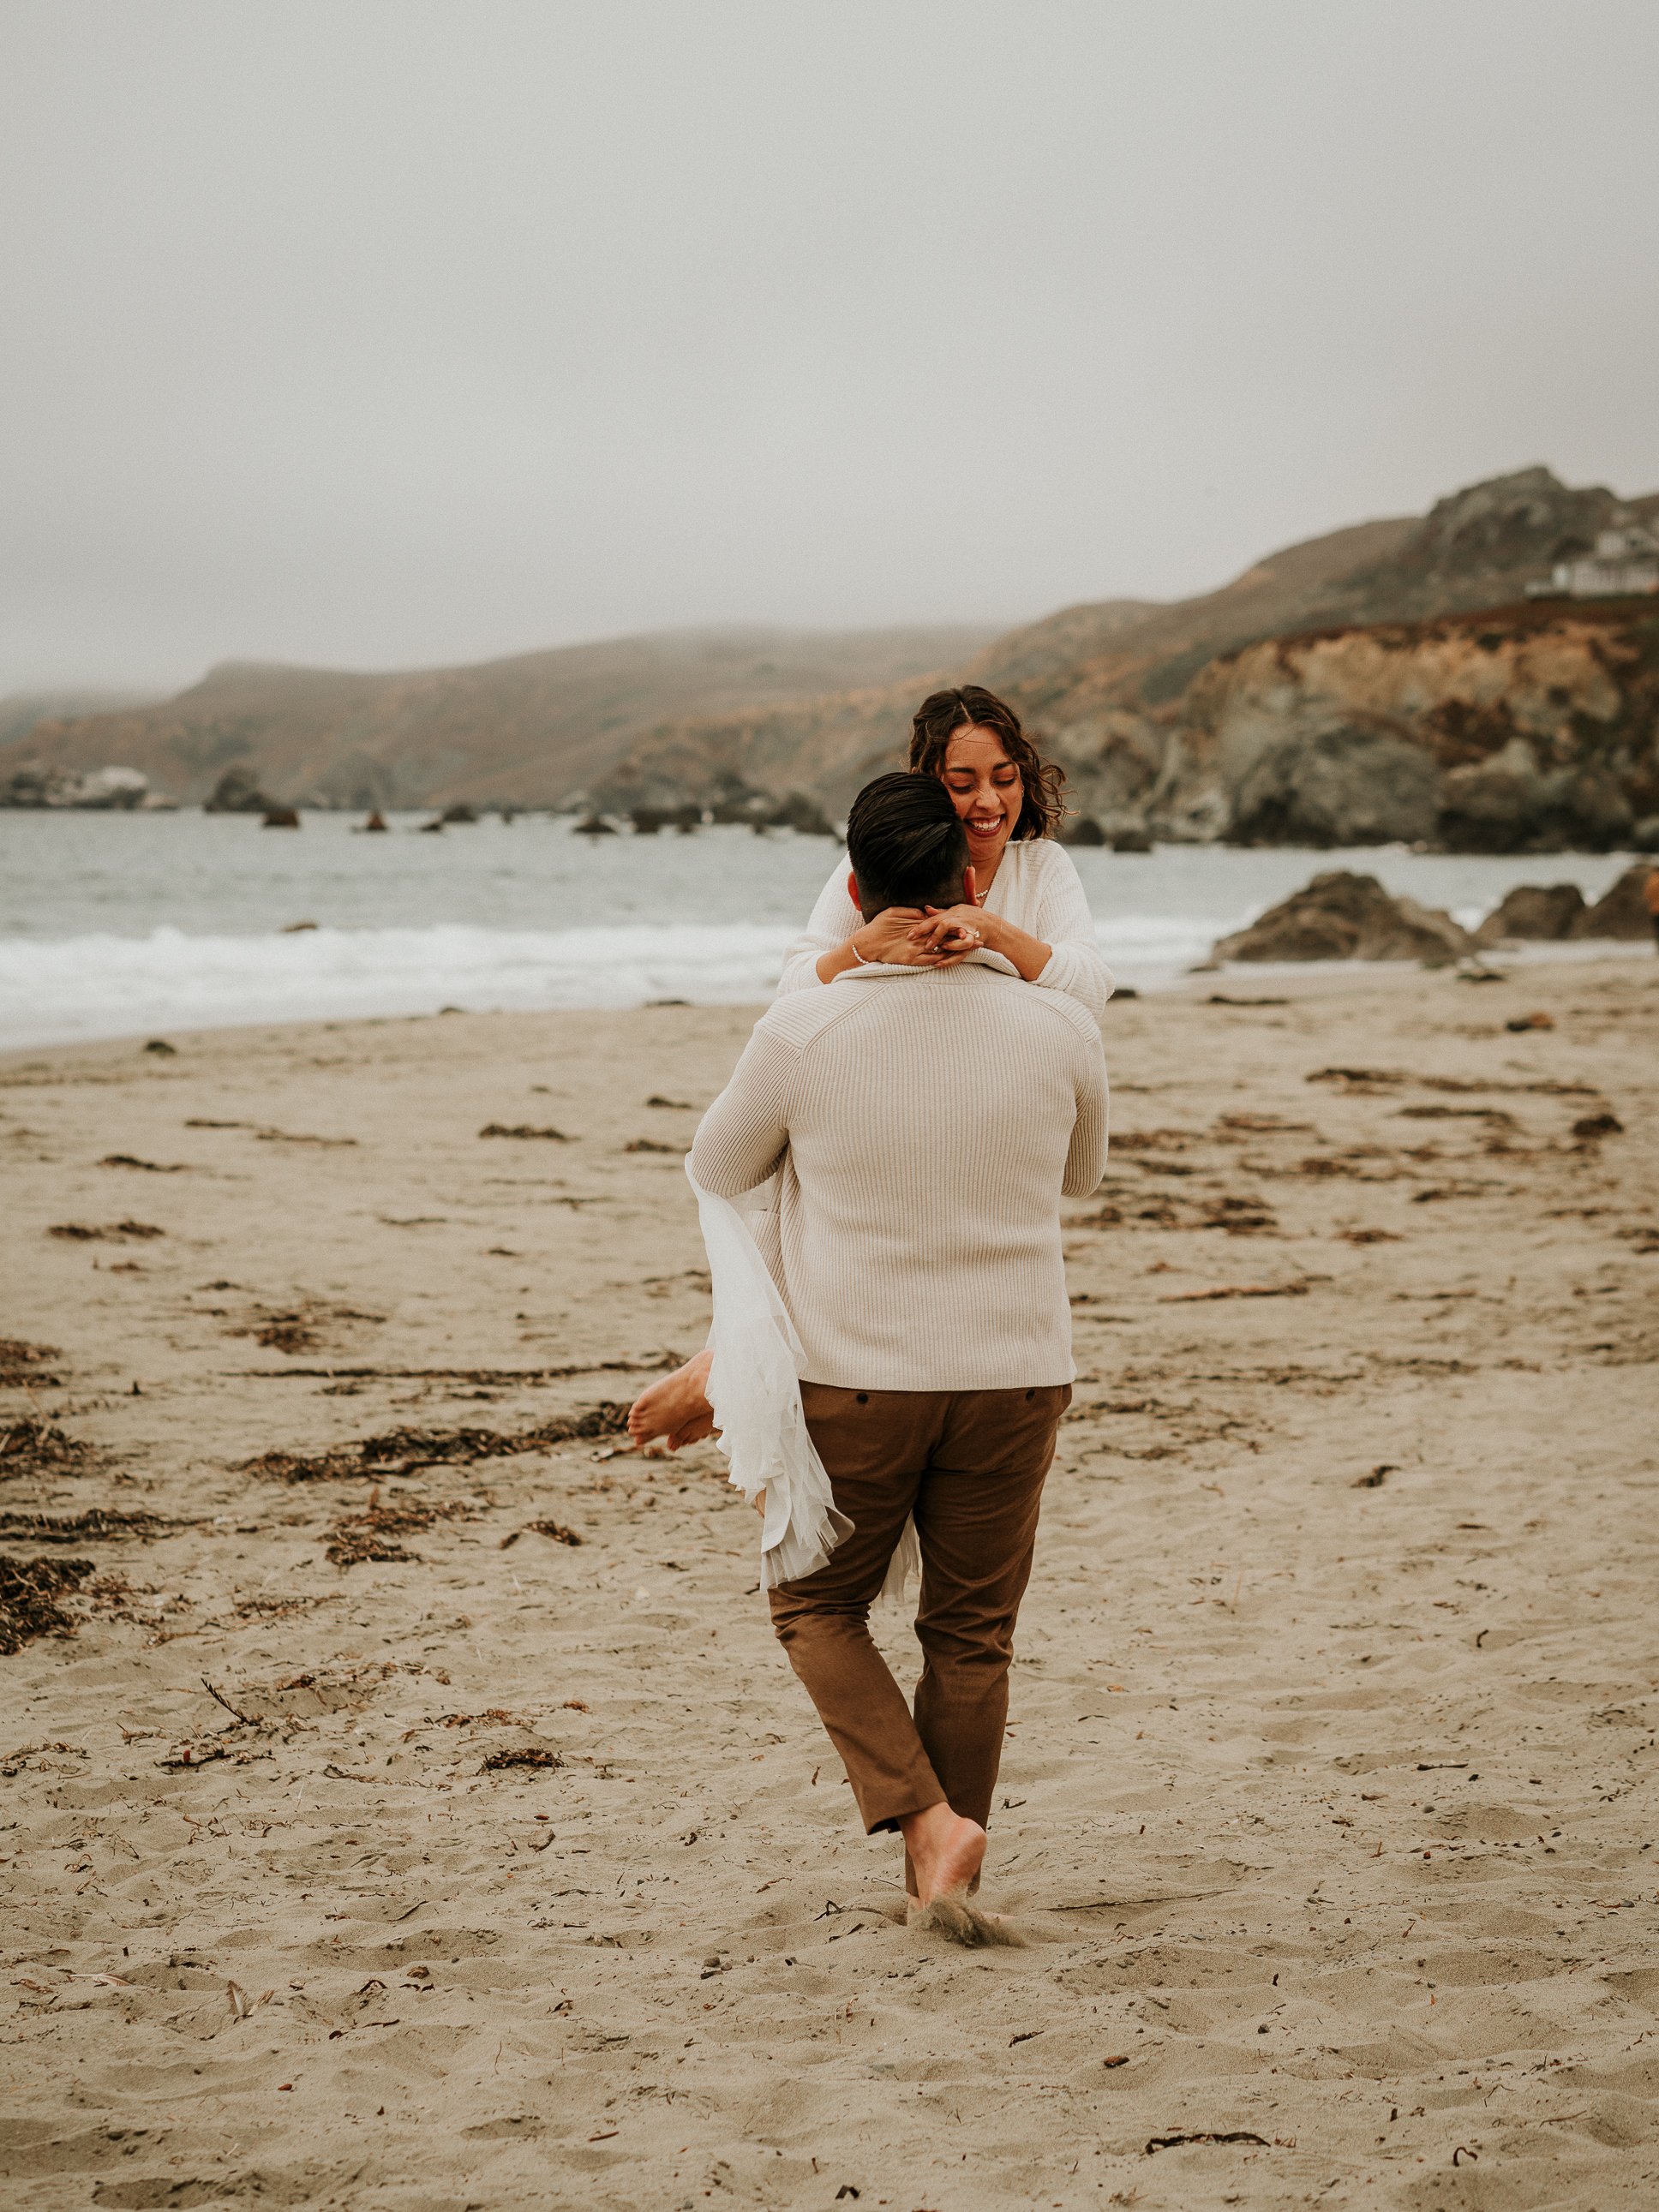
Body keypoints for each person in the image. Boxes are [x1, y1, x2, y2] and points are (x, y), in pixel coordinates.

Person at [684, 771, 1109, 1915]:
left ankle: (925, 1821)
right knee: (972, 1635)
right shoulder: (1057, 1022)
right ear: (971, 880)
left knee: (815, 1607)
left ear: (859, 887)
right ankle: (947, 1883)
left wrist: (738, 1347)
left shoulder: (808, 1022)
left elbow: (715, 1170)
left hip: (861, 1377)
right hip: (1020, 1372)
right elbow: (1083, 1172)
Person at [629, 683, 1111, 1450]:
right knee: (801, 1158)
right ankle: (732, 1358)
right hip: (882, 1063)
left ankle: (733, 1362)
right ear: (929, 788)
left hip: (987, 1065)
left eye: (1005, 777)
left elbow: (1087, 984)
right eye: (962, 785)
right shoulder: (869, 869)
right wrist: (866, 947)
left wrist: (989, 932)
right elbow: (793, 984)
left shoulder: (1042, 868)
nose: (989, 802)